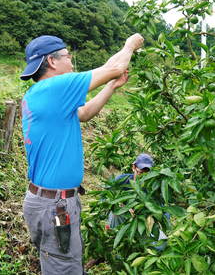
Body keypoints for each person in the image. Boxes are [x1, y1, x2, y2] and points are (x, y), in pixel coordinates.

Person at [20, 33, 144, 275]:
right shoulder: (55, 87)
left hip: (49, 202)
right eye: (68, 56)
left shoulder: (43, 95)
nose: (72, 62)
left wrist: (111, 86)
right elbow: (116, 66)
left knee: (61, 263)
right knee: (64, 268)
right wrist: (131, 44)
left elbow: (85, 113)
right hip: (54, 205)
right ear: (52, 61)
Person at [107, 153, 155, 228]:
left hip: (140, 221)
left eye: (147, 174)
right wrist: (122, 206)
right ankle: (112, 232)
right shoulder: (121, 180)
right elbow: (106, 195)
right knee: (116, 214)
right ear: (133, 167)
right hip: (120, 217)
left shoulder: (151, 188)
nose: (143, 177)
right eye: (141, 172)